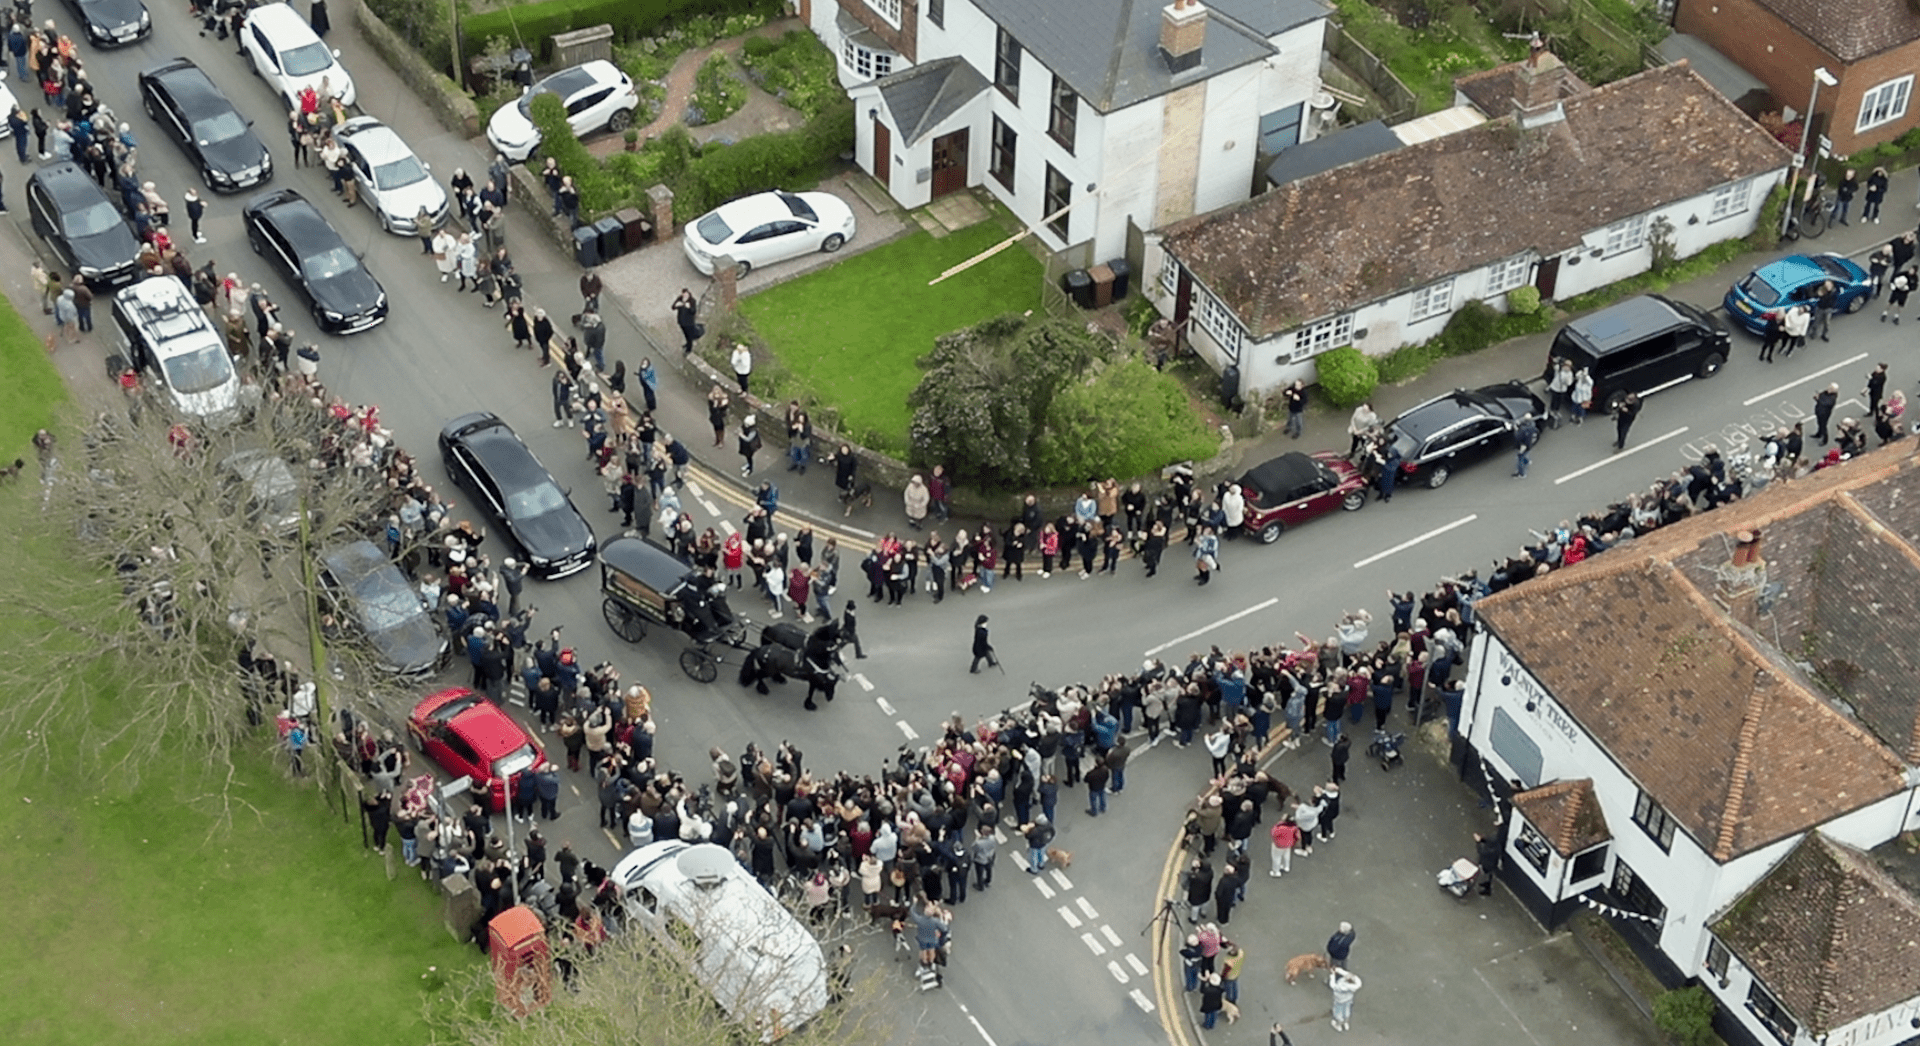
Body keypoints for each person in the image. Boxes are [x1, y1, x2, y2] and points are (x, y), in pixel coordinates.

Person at [1328, 967, 1362, 1032]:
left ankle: (1338, 1025)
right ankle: (1346, 1023)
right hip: (1348, 1000)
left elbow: (1332, 985)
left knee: (1338, 1014)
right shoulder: (1355, 985)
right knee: (1346, 1012)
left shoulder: (1342, 986)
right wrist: (1340, 971)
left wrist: (1332, 976)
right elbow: (1355, 978)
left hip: (1339, 1001)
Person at [1512, 413, 1538, 478]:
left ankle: (1521, 474)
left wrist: (1515, 429)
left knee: (1520, 459)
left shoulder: (1523, 429)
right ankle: (1527, 462)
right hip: (1528, 444)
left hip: (1522, 445)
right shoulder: (1532, 424)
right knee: (1525, 454)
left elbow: (1517, 436)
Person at [673, 288, 699, 352]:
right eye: (684, 295)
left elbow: (694, 311)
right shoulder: (680, 299)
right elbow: (673, 307)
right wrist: (676, 305)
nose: (685, 296)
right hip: (681, 322)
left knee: (689, 335)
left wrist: (689, 307)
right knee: (685, 334)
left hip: (689, 323)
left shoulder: (692, 301)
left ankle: (689, 348)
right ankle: (687, 344)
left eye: (686, 294)